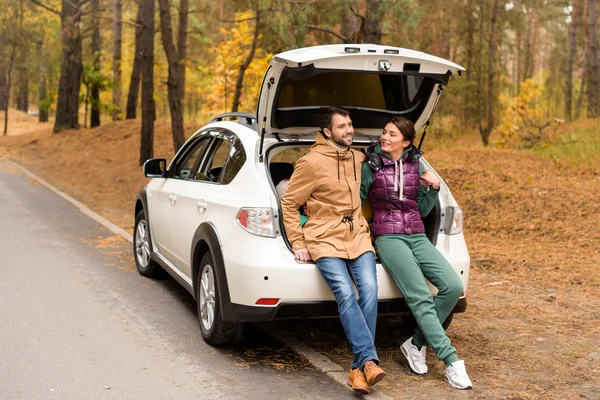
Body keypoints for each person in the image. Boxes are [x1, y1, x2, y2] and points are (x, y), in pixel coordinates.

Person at [360, 117, 473, 390]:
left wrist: (433, 189)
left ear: (406, 142)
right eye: (384, 132)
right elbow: (357, 200)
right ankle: (452, 361)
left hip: (418, 235)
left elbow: (421, 210)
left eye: (392, 134)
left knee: (452, 286)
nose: (384, 137)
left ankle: (416, 344)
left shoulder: (416, 164)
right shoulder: (371, 164)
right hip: (389, 237)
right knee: (420, 296)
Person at [281, 106, 386, 394]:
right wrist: (298, 242)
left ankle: (359, 367)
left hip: (357, 235)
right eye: (342, 126)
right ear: (327, 131)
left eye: (350, 124)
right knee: (344, 292)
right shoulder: (310, 163)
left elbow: (391, 160)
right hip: (323, 236)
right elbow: (289, 203)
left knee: (370, 290)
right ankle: (368, 361)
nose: (349, 130)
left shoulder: (358, 157)